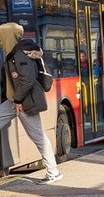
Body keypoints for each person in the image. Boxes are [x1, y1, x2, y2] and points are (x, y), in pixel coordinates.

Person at [0, 23, 61, 183]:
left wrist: (19, 100)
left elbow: (28, 79)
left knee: (38, 136)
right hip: (13, 101)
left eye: (1, 36)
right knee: (38, 135)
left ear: (8, 36)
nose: (0, 41)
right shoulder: (12, 53)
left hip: (25, 102)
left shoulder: (19, 54)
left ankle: (53, 171)